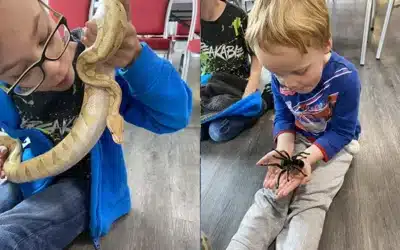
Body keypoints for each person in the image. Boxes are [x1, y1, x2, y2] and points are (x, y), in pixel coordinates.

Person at [0, 0, 192, 249]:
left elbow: (175, 115)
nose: (54, 68)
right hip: (29, 179)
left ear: (50, 13)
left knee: (14, 232)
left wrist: (137, 61)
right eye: (21, 73)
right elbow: (13, 133)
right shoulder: (6, 92)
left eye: (44, 37)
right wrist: (8, 149)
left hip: (87, 188)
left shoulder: (102, 67)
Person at [227, 0, 361, 249]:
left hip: (334, 145)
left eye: (299, 72)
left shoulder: (346, 79)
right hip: (299, 135)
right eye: (277, 74)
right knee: (271, 194)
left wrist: (307, 159)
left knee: (310, 201)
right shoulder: (283, 77)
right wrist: (285, 149)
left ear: (325, 45)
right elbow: (284, 116)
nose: (289, 84)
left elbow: (342, 131)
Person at [200, 0, 273, 143]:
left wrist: (252, 85)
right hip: (207, 93)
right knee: (203, 133)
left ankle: (264, 101)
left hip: (235, 89)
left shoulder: (237, 16)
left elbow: (256, 54)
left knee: (217, 132)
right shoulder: (190, 23)